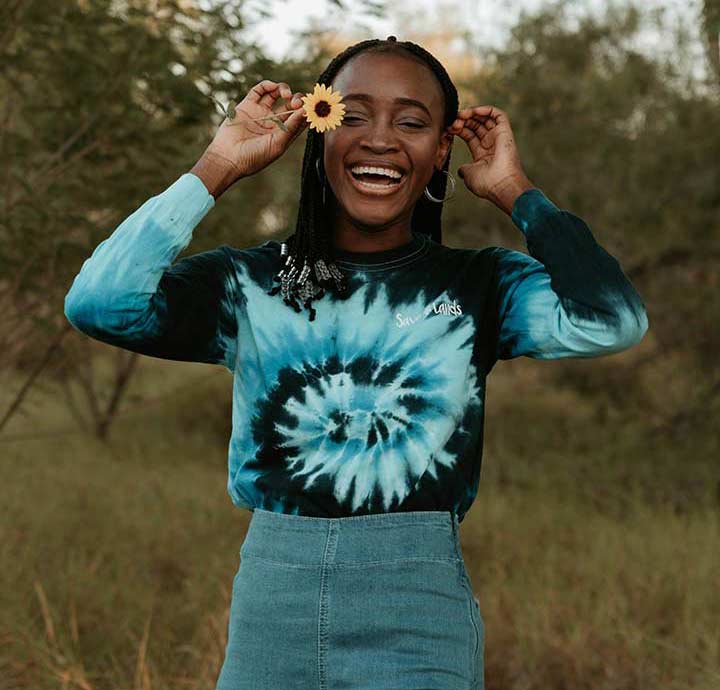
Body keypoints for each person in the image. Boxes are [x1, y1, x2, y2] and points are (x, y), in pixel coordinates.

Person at [64, 36, 648, 690]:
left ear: (438, 155)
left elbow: (613, 320)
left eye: (411, 122)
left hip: (419, 607)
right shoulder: (250, 281)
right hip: (272, 606)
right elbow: (99, 303)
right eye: (352, 115)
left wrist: (516, 190)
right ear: (318, 137)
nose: (379, 139)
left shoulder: (481, 284)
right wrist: (219, 164)